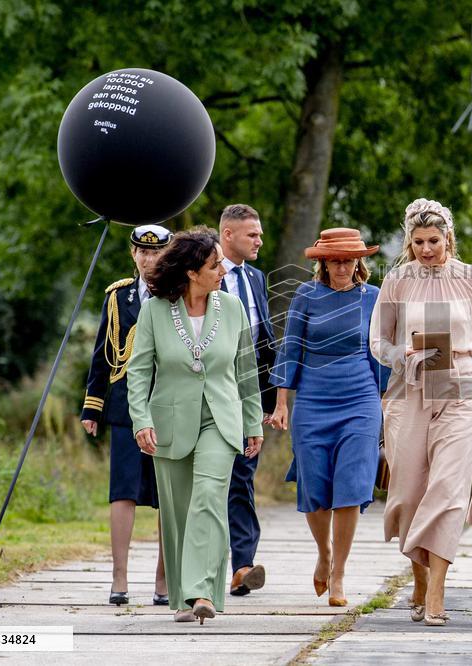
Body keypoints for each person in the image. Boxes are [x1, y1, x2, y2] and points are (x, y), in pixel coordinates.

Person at [370, 198, 472, 627]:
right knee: (409, 492)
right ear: (409, 241)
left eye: (433, 241)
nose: (426, 249)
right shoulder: (397, 280)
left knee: (448, 490)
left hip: (460, 382)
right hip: (408, 386)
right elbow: (378, 340)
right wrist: (402, 355)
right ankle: (418, 574)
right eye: (418, 242)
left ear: (448, 238)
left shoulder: (470, 280)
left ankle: (437, 590)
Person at [127, 227, 264, 624]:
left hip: (221, 419)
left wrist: (252, 420)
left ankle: (202, 590)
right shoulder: (154, 310)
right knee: (178, 510)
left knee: (209, 496)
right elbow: (139, 371)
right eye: (214, 264)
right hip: (169, 420)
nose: (222, 269)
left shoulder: (233, 307)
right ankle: (185, 597)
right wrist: (141, 420)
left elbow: (246, 370)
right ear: (191, 272)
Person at [269, 228, 389, 607]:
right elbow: (290, 348)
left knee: (352, 486)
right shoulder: (307, 295)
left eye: (348, 259)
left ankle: (339, 576)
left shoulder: (374, 297)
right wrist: (281, 402)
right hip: (313, 400)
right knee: (316, 488)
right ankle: (324, 552)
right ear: (322, 262)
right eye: (334, 260)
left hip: (360, 399)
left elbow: (380, 354)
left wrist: (386, 404)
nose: (342, 266)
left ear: (359, 262)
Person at [80, 224, 170, 607]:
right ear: (133, 255)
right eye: (142, 253)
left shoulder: (178, 292)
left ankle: (165, 581)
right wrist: (93, 405)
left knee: (169, 493)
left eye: (156, 254)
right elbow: (103, 351)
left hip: (169, 403)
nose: (149, 260)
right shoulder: (118, 297)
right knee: (123, 490)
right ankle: (119, 579)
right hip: (125, 407)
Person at [218, 203, 278, 596]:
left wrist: (271, 401)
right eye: (251, 234)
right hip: (211, 385)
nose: (259, 240)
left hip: (249, 387)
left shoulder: (255, 277)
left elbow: (264, 342)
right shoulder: (203, 273)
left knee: (243, 474)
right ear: (228, 235)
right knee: (212, 479)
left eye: (259, 233)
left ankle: (242, 565)